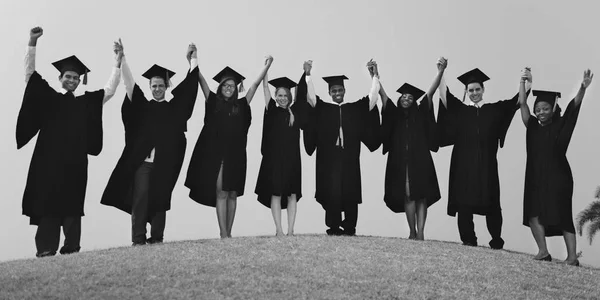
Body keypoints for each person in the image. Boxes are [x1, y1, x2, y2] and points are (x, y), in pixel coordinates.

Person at [17, 27, 122, 257]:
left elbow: (110, 90)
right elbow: (29, 76)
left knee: (73, 204)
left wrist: (117, 63)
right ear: (60, 78)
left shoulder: (85, 103)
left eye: (75, 77)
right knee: (48, 203)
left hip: (75, 164)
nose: (72, 80)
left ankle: (72, 247)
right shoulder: (49, 98)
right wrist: (32, 43)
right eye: (68, 77)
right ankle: (46, 249)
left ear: (79, 80)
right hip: (48, 163)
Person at [101, 41, 200, 246]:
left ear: (166, 86)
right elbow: (129, 84)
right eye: (154, 86)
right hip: (143, 163)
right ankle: (138, 238)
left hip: (164, 164)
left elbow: (190, 90)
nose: (157, 89)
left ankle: (157, 238)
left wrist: (193, 60)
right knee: (140, 198)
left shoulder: (173, 110)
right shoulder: (143, 107)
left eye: (160, 85)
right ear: (150, 87)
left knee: (161, 199)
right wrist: (123, 59)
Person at [436, 65, 530, 249]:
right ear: (466, 91)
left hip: (487, 164)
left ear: (483, 90)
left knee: (492, 201)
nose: (474, 93)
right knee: (464, 202)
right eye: (470, 90)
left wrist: (525, 82)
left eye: (477, 89)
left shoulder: (494, 110)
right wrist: (441, 71)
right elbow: (443, 94)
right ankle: (469, 239)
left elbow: (518, 101)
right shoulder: (460, 110)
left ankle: (496, 239)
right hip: (463, 165)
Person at [186, 56, 273, 238]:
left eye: (232, 86)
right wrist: (192, 60)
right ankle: (223, 233)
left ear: (236, 89)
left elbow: (255, 85)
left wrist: (267, 65)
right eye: (225, 85)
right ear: (220, 87)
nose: (228, 88)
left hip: (236, 155)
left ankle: (230, 233)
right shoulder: (213, 101)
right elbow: (201, 80)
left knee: (233, 194)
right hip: (217, 155)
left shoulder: (241, 105)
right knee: (221, 192)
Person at [519, 69, 593, 266]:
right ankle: (543, 251)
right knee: (533, 212)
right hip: (535, 177)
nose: (541, 112)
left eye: (545, 108)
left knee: (562, 214)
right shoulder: (532, 126)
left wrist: (582, 88)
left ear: (553, 108)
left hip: (559, 177)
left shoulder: (561, 125)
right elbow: (522, 104)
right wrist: (524, 83)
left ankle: (572, 258)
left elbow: (573, 108)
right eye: (538, 109)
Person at [298, 60, 381, 236]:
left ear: (344, 91)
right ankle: (333, 227)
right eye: (334, 91)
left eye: (340, 90)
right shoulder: (323, 109)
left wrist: (374, 76)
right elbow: (311, 97)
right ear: (329, 93)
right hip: (329, 160)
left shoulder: (354, 109)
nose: (337, 93)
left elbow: (373, 98)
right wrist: (308, 75)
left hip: (349, 158)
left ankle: (350, 227)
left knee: (350, 191)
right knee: (331, 191)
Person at [378, 58, 446, 240]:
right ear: (399, 99)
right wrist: (375, 76)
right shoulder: (394, 114)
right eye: (403, 96)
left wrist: (440, 71)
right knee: (408, 195)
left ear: (414, 101)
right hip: (400, 160)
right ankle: (412, 231)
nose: (406, 98)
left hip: (420, 159)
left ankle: (421, 232)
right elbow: (383, 96)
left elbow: (430, 93)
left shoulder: (421, 112)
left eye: (410, 97)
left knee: (422, 195)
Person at [255, 70, 309, 236]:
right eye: (279, 95)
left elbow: (303, 94)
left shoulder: (295, 112)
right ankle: (279, 230)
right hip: (275, 160)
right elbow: (264, 87)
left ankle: (291, 230)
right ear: (275, 96)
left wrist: (306, 73)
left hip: (292, 159)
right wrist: (267, 67)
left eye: (285, 95)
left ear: (290, 97)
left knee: (292, 193)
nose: (282, 98)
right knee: (276, 193)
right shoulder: (271, 109)